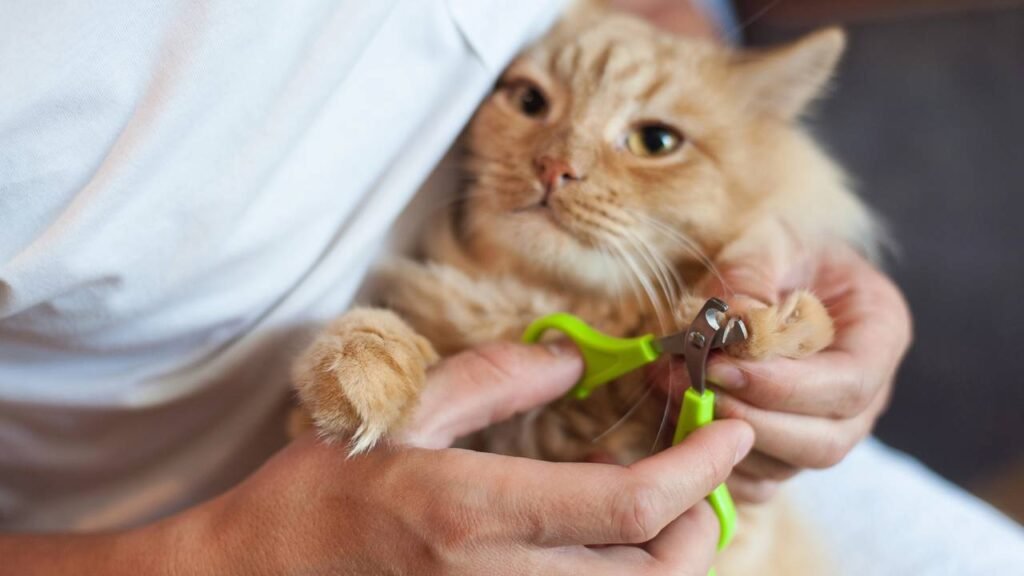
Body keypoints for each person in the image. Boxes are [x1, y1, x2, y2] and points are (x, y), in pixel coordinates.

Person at [1, 1, 1014, 574]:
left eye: (645, 144)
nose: (561, 163)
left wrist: (773, 241)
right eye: (527, 105)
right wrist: (223, 555)